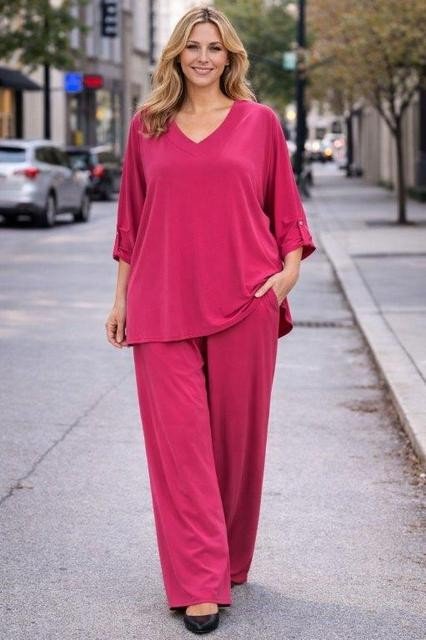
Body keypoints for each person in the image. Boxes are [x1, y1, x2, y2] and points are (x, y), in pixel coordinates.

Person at [105, 5, 316, 635]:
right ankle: (199, 583)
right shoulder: (147, 125)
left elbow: (285, 210)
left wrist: (287, 276)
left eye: (214, 47)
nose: (203, 57)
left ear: (230, 57)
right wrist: (120, 300)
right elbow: (131, 222)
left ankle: (229, 559)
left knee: (236, 445)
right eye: (193, 46)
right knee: (181, 450)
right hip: (160, 303)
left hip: (246, 300)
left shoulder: (259, 123)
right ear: (176, 54)